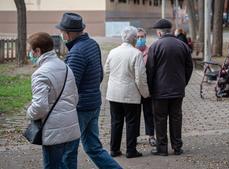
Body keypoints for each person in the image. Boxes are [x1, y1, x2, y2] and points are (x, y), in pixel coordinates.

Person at [56, 13, 122, 169]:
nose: (61, 34)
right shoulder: (92, 44)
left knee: (68, 152)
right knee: (93, 147)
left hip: (80, 109)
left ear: (68, 33)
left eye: (62, 31)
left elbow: (70, 87)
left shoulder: (76, 52)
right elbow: (99, 74)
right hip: (93, 104)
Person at [26, 32, 81, 169]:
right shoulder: (66, 67)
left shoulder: (40, 74)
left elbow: (40, 107)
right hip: (71, 127)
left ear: (37, 51)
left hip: (54, 131)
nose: (29, 54)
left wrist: (29, 113)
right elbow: (75, 97)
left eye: (30, 51)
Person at [146, 19, 193, 156]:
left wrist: (150, 88)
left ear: (160, 32)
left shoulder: (155, 46)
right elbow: (189, 67)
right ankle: (177, 147)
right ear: (170, 31)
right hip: (178, 90)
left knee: (160, 119)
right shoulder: (182, 45)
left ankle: (162, 149)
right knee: (176, 118)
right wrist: (183, 83)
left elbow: (150, 70)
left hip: (159, 91)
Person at [105, 26, 150, 158]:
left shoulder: (113, 52)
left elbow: (106, 70)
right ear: (134, 39)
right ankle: (131, 150)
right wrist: (145, 93)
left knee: (116, 121)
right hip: (130, 94)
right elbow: (140, 78)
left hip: (113, 93)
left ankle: (114, 149)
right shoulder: (136, 54)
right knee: (131, 122)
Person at [135, 27, 156, 147]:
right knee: (135, 114)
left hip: (147, 89)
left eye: (142, 37)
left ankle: (151, 135)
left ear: (145, 37)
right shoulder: (131, 51)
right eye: (137, 37)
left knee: (149, 113)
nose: (140, 39)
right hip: (135, 89)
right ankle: (135, 136)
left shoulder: (151, 51)